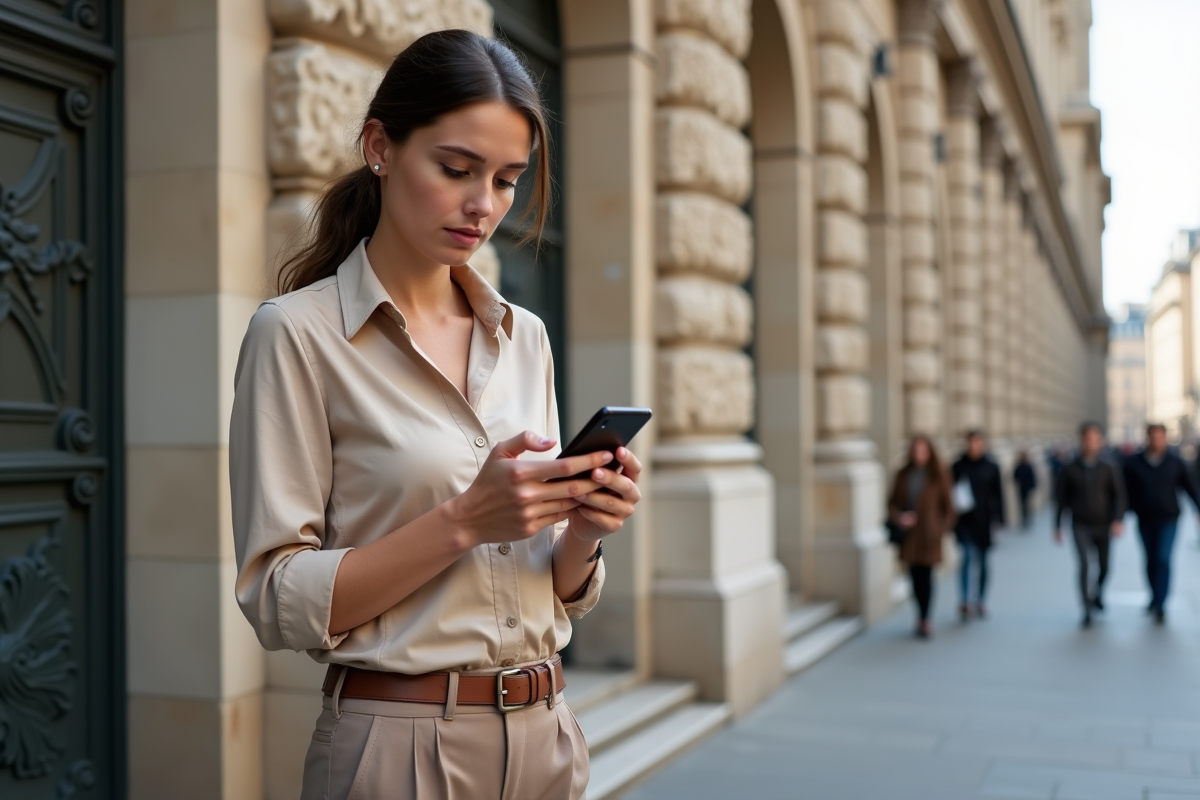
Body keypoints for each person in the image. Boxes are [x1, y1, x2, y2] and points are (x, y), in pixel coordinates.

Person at [229, 31, 643, 800]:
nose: (482, 204)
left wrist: (584, 529)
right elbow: (277, 597)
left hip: (548, 735)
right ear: (380, 146)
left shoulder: (527, 337)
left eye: (508, 179)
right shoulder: (296, 335)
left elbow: (549, 582)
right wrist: (464, 520)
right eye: (455, 169)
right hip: (399, 750)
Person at [1122, 423, 1200, 624]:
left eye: (1160, 437)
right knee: (1150, 559)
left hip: (1169, 518)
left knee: (1163, 558)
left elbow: (1189, 487)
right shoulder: (1134, 463)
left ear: (1165, 438)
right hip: (1145, 518)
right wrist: (1119, 517)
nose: (1157, 441)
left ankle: (1161, 603)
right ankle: (1154, 595)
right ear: (1147, 438)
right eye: (1153, 437)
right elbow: (1124, 492)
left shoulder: (1175, 462)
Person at [1054, 422, 1126, 629]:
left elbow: (1118, 496)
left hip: (1104, 525)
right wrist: (1057, 525)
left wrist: (1118, 520)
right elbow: (1061, 498)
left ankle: (1098, 594)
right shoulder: (1070, 468)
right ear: (1081, 441)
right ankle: (1086, 607)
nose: (1090, 443)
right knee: (1085, 566)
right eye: (1087, 439)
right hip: (1080, 524)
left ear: (1100, 441)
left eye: (1095, 439)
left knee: (1104, 567)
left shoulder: (1108, 467)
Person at [888, 436, 956, 638]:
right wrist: (900, 517)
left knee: (926, 577)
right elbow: (891, 503)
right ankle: (919, 614)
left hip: (929, 537)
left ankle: (925, 619)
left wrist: (939, 528)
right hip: (909, 536)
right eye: (915, 450)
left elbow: (949, 508)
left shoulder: (938, 475)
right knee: (913, 577)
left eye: (922, 450)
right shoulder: (903, 474)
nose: (918, 454)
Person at [952, 430, 1006, 620]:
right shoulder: (957, 466)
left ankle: (981, 600)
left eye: (977, 442)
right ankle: (966, 599)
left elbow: (999, 494)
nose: (973, 446)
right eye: (970, 442)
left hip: (985, 521)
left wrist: (1000, 519)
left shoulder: (991, 466)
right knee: (966, 557)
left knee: (983, 561)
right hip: (964, 520)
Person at [1013, 452, 1038, 530]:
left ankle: (1027, 518)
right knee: (1023, 505)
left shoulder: (1027, 466)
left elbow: (1032, 477)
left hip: (1027, 488)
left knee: (1027, 504)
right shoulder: (1019, 467)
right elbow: (1015, 476)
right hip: (1022, 488)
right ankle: (1024, 519)